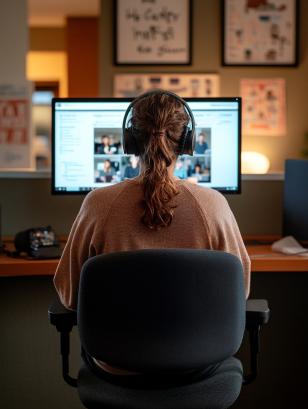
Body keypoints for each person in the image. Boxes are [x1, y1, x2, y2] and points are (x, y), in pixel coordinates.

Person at [54, 90, 250, 374]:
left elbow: (70, 296)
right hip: (198, 368)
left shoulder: (98, 204)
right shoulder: (213, 205)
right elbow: (239, 292)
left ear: (130, 141)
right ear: (187, 141)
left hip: (117, 367)